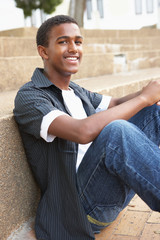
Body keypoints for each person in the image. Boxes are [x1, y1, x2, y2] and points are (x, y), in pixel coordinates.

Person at [13, 15, 160, 240]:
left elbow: (117, 103)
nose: (74, 48)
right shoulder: (31, 97)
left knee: (152, 113)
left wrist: (147, 94)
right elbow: (82, 132)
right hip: (79, 210)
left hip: (107, 189)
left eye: (78, 42)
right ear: (43, 51)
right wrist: (143, 99)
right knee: (116, 132)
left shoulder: (77, 91)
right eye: (63, 42)